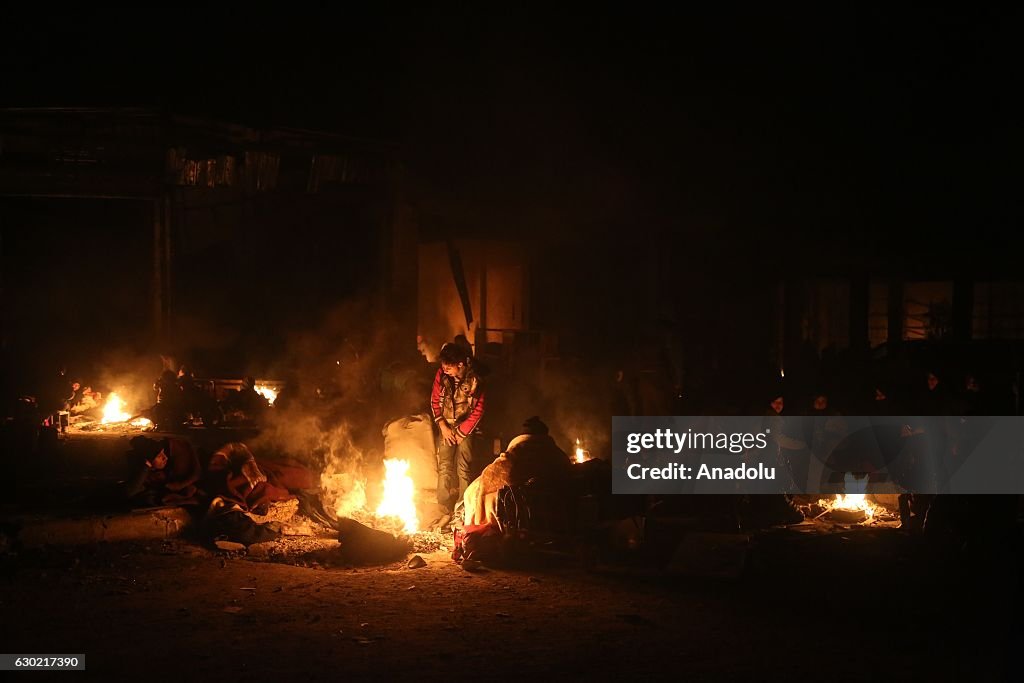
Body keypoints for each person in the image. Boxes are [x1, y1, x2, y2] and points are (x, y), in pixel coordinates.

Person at [431, 342, 486, 512]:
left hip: (466, 428)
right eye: (443, 364)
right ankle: (443, 506)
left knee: (464, 468)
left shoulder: (475, 379)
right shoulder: (442, 375)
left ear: (460, 364)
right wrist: (443, 426)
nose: (444, 368)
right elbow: (434, 400)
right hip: (446, 425)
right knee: (445, 465)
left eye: (448, 365)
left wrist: (462, 432)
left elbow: (478, 409)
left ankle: (463, 508)